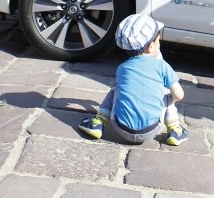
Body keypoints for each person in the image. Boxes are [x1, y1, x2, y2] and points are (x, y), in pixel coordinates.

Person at [78, 14, 188, 146]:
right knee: (167, 93)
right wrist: (168, 99)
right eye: (158, 41)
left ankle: (98, 122)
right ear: (151, 46)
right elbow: (179, 95)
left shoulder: (122, 68)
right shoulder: (162, 66)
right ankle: (175, 129)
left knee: (115, 90)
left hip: (120, 128)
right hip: (151, 130)